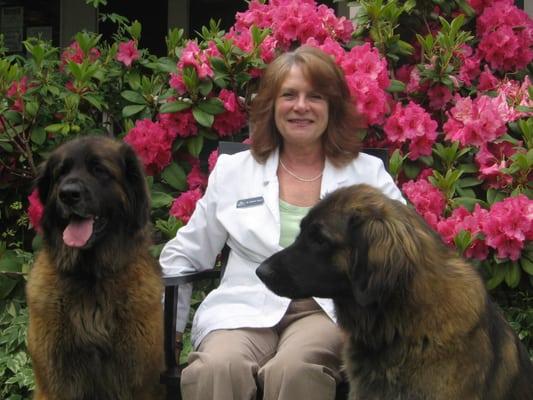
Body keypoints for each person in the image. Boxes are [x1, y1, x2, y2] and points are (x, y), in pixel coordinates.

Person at [159, 45, 405, 400]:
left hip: (327, 309)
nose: (301, 106)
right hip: (243, 306)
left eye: (315, 96)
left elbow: (404, 251)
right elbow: (187, 253)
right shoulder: (234, 171)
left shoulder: (366, 174)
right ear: (271, 106)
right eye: (289, 95)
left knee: (295, 369)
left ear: (332, 107)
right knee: (216, 367)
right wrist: (167, 334)